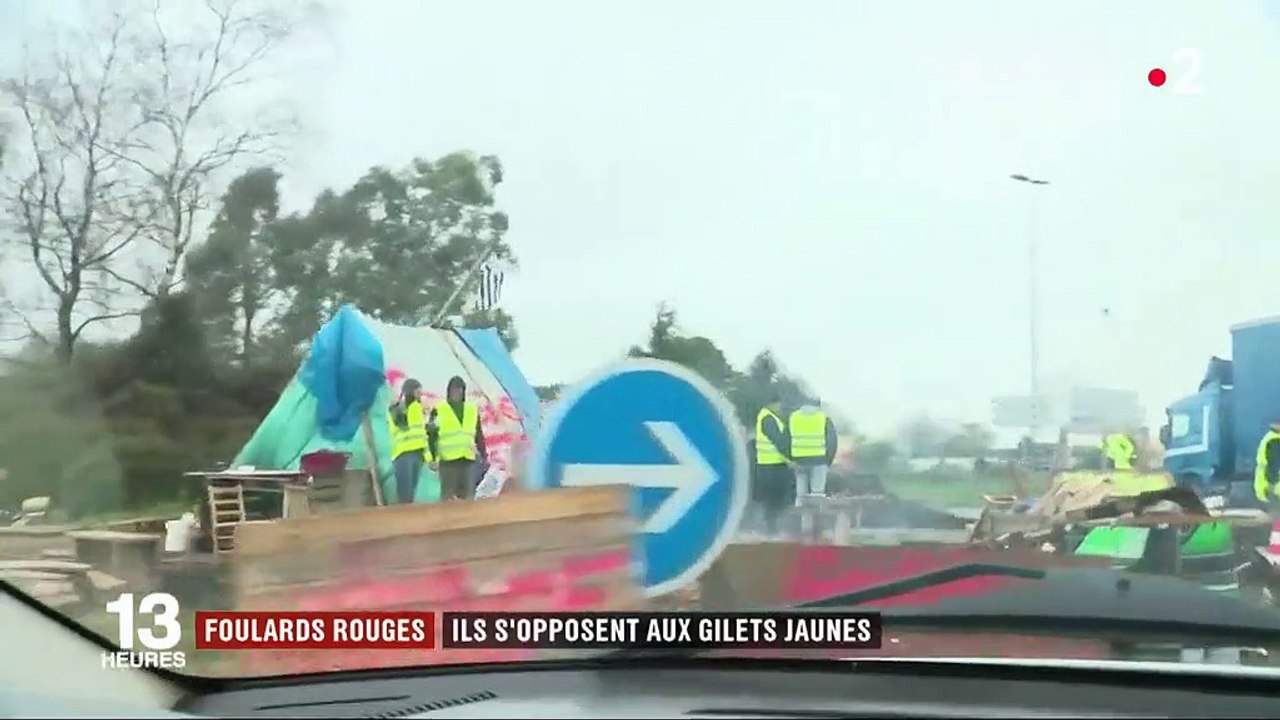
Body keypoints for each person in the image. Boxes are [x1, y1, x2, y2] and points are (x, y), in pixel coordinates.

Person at [427, 375, 488, 501]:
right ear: (449, 391)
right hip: (448, 461)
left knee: (468, 496)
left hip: (468, 459)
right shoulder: (439, 410)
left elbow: (478, 434)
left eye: (460, 389)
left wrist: (483, 454)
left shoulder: (471, 409)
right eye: (455, 389)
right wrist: (431, 457)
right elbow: (431, 435)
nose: (458, 392)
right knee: (448, 497)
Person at [753, 393, 791, 537]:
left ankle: (769, 526)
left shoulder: (769, 417)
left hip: (770, 464)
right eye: (778, 404)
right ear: (771, 404)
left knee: (772, 499)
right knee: (775, 499)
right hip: (771, 466)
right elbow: (778, 442)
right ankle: (769, 528)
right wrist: (790, 460)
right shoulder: (768, 419)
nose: (779, 407)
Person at [788, 396, 838, 504]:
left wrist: (790, 459)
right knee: (817, 495)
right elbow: (832, 441)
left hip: (799, 460)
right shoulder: (823, 418)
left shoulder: (793, 417)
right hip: (819, 461)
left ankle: (800, 519)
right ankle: (815, 519)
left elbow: (786, 438)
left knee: (800, 494)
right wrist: (828, 461)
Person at [387, 378, 429, 504]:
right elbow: (400, 425)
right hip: (403, 453)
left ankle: (410, 519)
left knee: (411, 492)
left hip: (418, 453)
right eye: (417, 392)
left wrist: (427, 455)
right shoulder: (398, 407)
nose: (420, 395)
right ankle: (401, 519)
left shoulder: (418, 408)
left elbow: (421, 433)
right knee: (405, 492)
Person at [1254, 418, 1280, 506]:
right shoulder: (1275, 441)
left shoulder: (1270, 437)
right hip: (1273, 490)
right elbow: (1274, 466)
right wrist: (1271, 486)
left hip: (1267, 488)